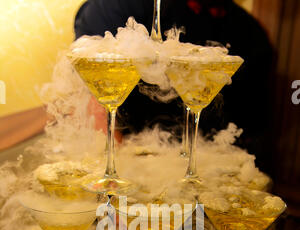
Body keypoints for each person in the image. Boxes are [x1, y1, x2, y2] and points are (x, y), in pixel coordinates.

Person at [74, 0, 273, 170]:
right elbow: (97, 103)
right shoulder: (121, 5)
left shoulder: (251, 35)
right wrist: (114, 180)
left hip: (204, 170)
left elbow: (246, 134)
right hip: (129, 162)